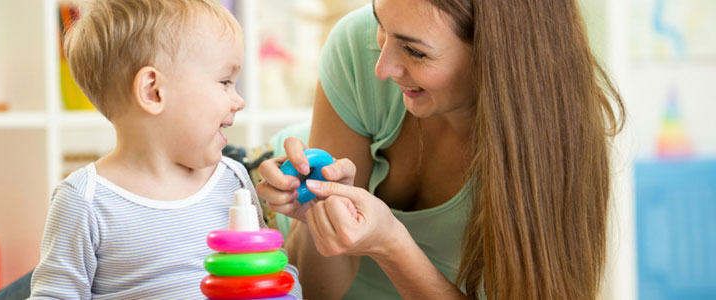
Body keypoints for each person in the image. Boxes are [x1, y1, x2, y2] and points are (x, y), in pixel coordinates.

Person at [256, 0, 625, 299]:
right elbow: (316, 291)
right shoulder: (359, 49)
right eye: (380, 25)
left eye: (415, 52)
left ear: (493, 57)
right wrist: (316, 214)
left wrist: (392, 246)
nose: (382, 67)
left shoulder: (554, 141)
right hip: (277, 249)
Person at [27, 0, 303, 298]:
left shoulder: (231, 178)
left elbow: (269, 270)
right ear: (153, 91)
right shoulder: (86, 200)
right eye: (225, 81)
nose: (239, 101)